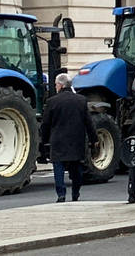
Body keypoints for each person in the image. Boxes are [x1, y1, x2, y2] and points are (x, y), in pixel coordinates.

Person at [40, 73, 97, 202]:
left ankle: (61, 194)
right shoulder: (81, 100)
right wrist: (94, 139)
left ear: (60, 85)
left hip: (58, 140)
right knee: (76, 168)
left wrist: (44, 140)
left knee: (58, 168)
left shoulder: (52, 101)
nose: (55, 87)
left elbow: (46, 124)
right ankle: (75, 192)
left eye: (56, 84)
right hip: (76, 140)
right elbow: (89, 122)